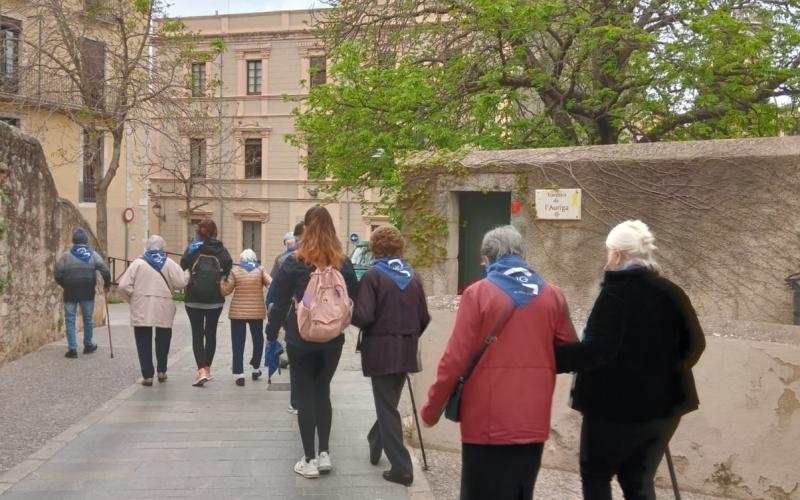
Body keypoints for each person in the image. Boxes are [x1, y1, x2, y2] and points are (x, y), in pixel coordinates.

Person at [421, 225, 577, 500]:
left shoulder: (478, 293)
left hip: (486, 420)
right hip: (532, 417)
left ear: (488, 258)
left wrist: (432, 409)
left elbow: (455, 359)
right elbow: (569, 351)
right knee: (520, 492)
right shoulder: (553, 294)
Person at [555, 220, 705, 500]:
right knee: (639, 481)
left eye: (608, 252)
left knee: (596, 475)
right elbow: (696, 345)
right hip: (664, 411)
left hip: (614, 411)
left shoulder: (615, 294)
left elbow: (597, 350)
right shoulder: (672, 292)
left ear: (617, 255)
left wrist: (551, 358)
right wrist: (662, 375)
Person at [266, 206, 358, 479]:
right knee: (322, 391)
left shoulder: (294, 261)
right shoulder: (342, 261)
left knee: (305, 393)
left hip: (300, 337)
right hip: (332, 339)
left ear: (305, 229)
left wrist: (271, 334)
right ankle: (325, 454)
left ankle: (308, 459)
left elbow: (279, 303)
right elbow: (354, 295)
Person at [352, 226, 430, 486]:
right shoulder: (413, 276)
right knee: (389, 405)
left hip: (381, 350)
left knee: (386, 407)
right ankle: (375, 441)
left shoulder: (374, 275)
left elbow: (364, 316)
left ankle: (402, 468)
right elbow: (424, 317)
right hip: (407, 349)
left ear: (376, 248)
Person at [117, 236, 189, 385]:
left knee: (143, 340)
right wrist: (188, 273)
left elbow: (123, 286)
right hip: (164, 305)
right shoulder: (169, 263)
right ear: (163, 247)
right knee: (163, 338)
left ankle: (148, 375)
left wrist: (133, 299)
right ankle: (162, 371)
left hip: (142, 305)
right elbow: (181, 282)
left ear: (148, 247)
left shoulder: (137, 263)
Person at [180, 219, 233, 387]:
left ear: (199, 232)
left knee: (197, 334)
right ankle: (207, 368)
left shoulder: (193, 248)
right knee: (211, 334)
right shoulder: (221, 250)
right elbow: (228, 266)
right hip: (215, 300)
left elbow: (183, 265)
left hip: (193, 298)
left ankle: (200, 370)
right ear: (215, 231)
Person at [54, 228, 112, 358]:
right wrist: (107, 284)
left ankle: (72, 349)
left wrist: (65, 285)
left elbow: (57, 274)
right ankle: (88, 345)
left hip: (70, 292)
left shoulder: (65, 256)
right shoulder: (93, 255)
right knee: (88, 319)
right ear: (86, 241)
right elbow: (105, 270)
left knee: (70, 320)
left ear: (73, 241)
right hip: (87, 292)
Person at [267, 221, 305, 414]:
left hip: (296, 320)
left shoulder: (286, 261)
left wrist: (271, 331)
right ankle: (318, 402)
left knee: (297, 365)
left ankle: (297, 402)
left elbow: (276, 295)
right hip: (326, 326)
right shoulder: (334, 258)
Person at [221, 249, 272, 386]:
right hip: (256, 312)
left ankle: (239, 374)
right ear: (255, 258)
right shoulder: (260, 270)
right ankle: (256, 368)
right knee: (257, 340)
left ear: (241, 259)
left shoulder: (235, 271)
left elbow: (226, 291)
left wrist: (221, 280)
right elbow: (271, 284)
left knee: (238, 343)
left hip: (238, 313)